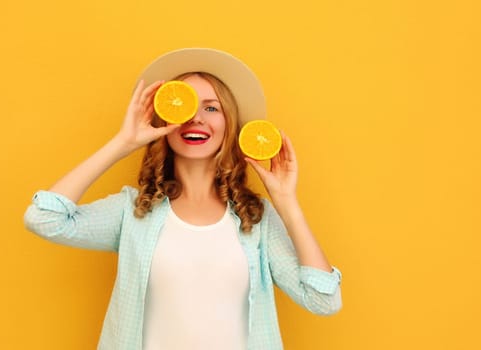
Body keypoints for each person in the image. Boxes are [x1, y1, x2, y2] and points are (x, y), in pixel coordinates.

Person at [23, 48, 342, 350]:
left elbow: (323, 300)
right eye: (185, 106)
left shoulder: (256, 219)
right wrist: (123, 143)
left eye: (211, 108)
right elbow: (44, 218)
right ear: (164, 121)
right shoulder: (133, 211)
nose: (196, 118)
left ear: (229, 124)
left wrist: (288, 205)